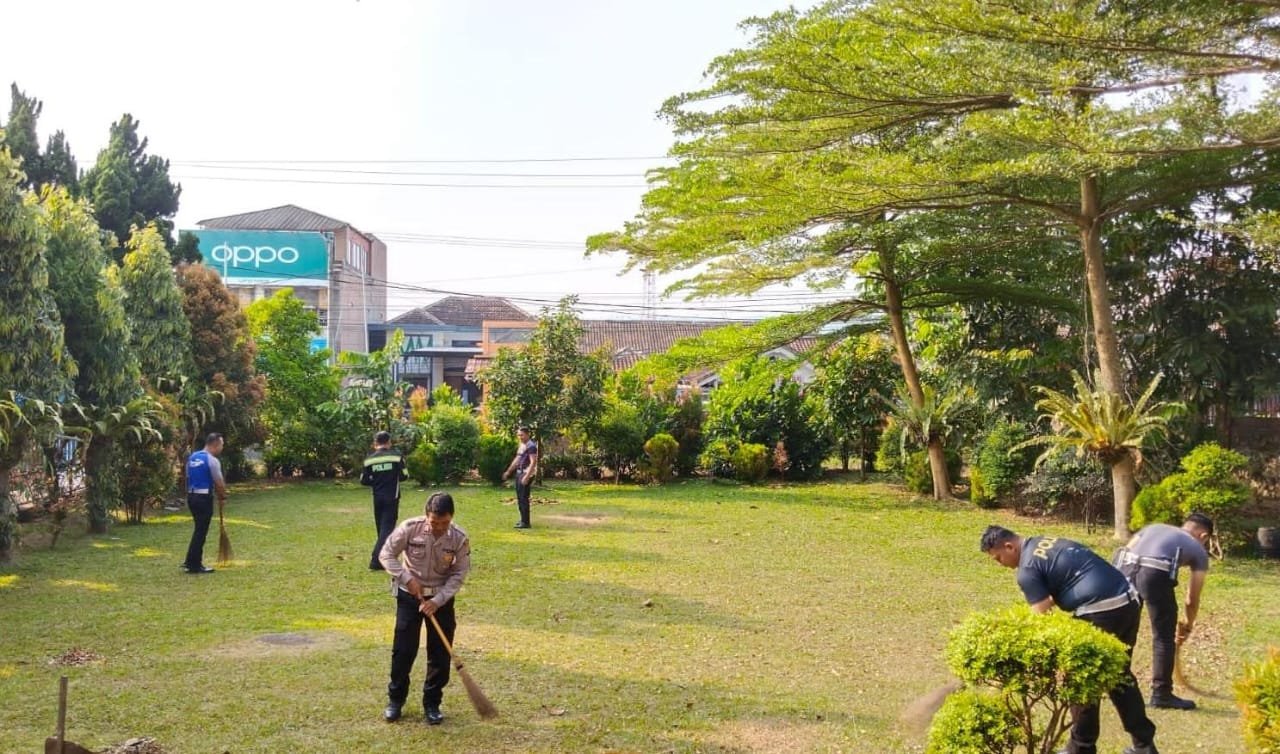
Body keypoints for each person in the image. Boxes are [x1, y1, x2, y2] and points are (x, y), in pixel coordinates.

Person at [981, 525, 1158, 754]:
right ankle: (1144, 745)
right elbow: (1066, 584)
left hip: (1101, 610)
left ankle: (1081, 748)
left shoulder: (1026, 569)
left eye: (998, 558)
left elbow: (1040, 617)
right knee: (1119, 677)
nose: (1000, 564)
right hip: (1128, 600)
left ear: (1009, 546)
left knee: (1080, 681)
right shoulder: (1045, 542)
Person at [379, 492, 471, 725]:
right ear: (426, 516)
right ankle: (395, 700)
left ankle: (432, 703)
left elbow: (459, 573)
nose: (439, 527)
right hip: (410, 597)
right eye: (434, 522)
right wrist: (406, 577)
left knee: (440, 653)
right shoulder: (410, 528)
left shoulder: (459, 538)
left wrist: (437, 600)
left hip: (440, 600)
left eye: (445, 523)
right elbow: (386, 554)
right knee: (403, 651)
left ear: (452, 517)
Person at [1116, 513, 1214, 710]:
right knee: (1163, 637)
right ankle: (1161, 694)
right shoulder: (1198, 550)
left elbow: (1127, 548)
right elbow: (1191, 598)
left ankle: (1116, 685)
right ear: (1203, 536)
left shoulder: (1154, 527)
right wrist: (1188, 623)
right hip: (1155, 574)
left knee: (1124, 631)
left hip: (1124, 567)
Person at [361, 431, 408, 571]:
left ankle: (383, 558)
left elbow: (363, 480)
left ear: (375, 443)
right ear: (389, 442)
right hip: (391, 497)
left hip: (377, 497)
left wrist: (376, 481)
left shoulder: (369, 459)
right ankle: (376, 560)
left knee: (381, 529)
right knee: (387, 529)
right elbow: (405, 476)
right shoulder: (396, 457)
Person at [183, 433, 226, 574]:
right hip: (203, 498)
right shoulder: (211, 460)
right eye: (222, 444)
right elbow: (219, 482)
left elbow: (189, 477)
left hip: (192, 497)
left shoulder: (192, 457)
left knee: (198, 530)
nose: (222, 447)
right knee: (201, 531)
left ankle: (190, 560)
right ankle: (194, 564)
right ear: (216, 444)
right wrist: (222, 497)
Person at [502, 426, 538, 529]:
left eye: (522, 435)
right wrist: (508, 471)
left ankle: (526, 522)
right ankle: (523, 520)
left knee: (523, 498)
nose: (520, 437)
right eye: (518, 435)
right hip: (519, 472)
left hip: (526, 473)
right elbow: (517, 459)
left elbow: (533, 462)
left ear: (527, 434)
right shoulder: (522, 445)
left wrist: (527, 476)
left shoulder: (531, 446)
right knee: (519, 497)